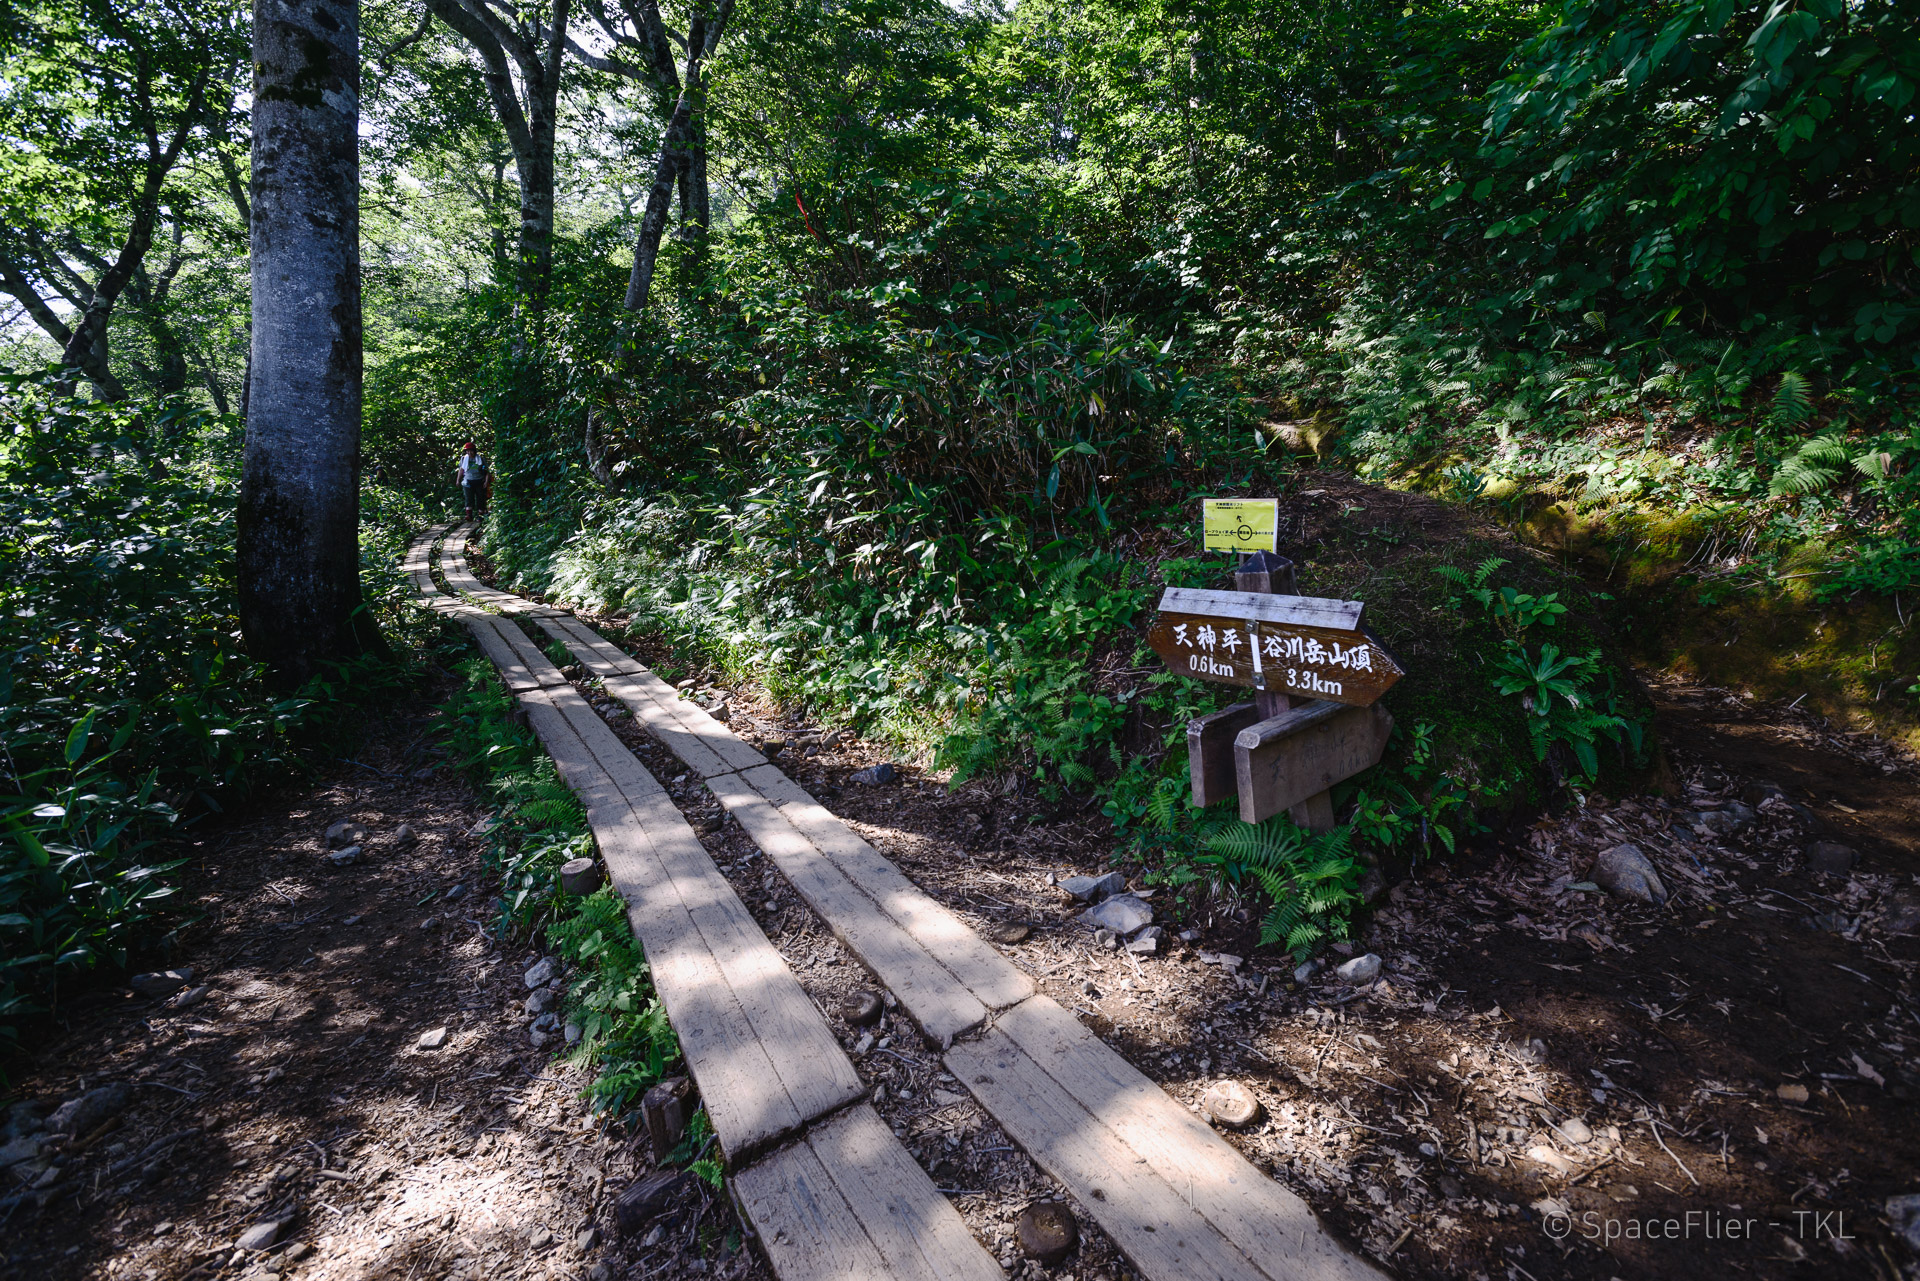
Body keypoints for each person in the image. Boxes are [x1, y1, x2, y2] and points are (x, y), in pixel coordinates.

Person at [455, 442, 490, 521]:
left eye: (471, 451)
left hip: (479, 481)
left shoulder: (480, 459)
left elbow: (487, 472)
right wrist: (458, 480)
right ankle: (469, 515)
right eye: (467, 451)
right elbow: (461, 470)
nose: (469, 453)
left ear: (474, 451)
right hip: (467, 481)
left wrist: (486, 482)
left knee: (480, 498)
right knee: (468, 498)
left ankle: (480, 515)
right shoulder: (464, 459)